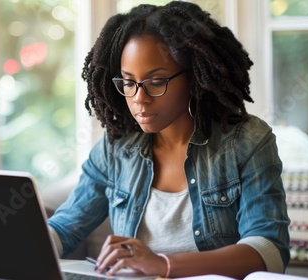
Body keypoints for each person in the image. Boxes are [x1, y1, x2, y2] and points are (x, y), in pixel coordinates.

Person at [47, 1, 290, 279]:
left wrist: (163, 264)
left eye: (156, 81)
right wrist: (16, 245)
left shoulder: (247, 141)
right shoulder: (116, 147)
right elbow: (66, 226)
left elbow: (269, 251)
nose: (139, 98)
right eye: (128, 82)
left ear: (193, 79)